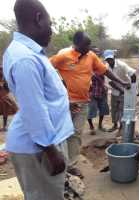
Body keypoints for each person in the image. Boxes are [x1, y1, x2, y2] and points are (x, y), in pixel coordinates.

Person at [3, 0, 74, 199]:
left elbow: (40, 97)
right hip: (40, 148)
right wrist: (51, 152)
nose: (51, 30)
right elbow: (34, 109)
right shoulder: (25, 58)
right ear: (38, 18)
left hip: (43, 143)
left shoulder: (28, 53)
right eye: (50, 24)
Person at [50, 32, 130, 178]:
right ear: (76, 44)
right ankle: (60, 163)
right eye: (86, 44)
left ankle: (71, 165)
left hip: (83, 102)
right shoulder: (63, 56)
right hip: (65, 103)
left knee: (76, 133)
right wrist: (57, 88)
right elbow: (46, 70)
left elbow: (105, 71)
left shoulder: (91, 56)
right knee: (62, 134)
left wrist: (121, 82)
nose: (89, 47)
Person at [103, 50, 136, 132]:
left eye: (110, 59)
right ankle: (115, 125)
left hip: (125, 91)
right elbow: (110, 82)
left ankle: (121, 128)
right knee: (114, 109)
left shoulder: (122, 65)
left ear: (114, 57)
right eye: (107, 60)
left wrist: (131, 87)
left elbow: (133, 75)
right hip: (115, 91)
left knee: (122, 110)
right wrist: (121, 90)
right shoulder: (106, 67)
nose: (109, 61)